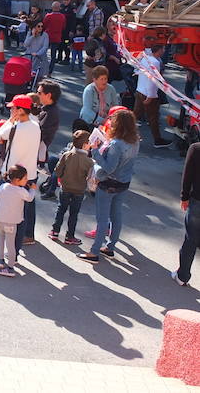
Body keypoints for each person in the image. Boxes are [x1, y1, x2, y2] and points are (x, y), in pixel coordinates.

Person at [0, 94, 41, 262]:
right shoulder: (36, 126)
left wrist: (11, 120)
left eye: (14, 108)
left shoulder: (15, 128)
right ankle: (14, 252)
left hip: (12, 177)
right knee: (20, 217)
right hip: (30, 177)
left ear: (20, 110)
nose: (11, 110)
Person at [79, 109, 140, 264]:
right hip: (123, 183)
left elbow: (108, 167)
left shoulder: (116, 144)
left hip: (108, 183)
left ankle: (94, 252)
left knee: (102, 218)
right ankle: (110, 247)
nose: (110, 121)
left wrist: (95, 151)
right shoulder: (135, 140)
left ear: (117, 124)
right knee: (116, 215)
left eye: (113, 119)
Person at [0, 165, 36, 278]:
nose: (26, 181)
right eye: (25, 178)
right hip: (11, 222)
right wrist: (33, 189)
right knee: (10, 245)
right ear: (17, 179)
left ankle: (0, 262)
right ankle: (10, 266)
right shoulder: (20, 191)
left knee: (0, 241)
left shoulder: (3, 187)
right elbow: (30, 198)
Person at [48, 130, 92, 245]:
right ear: (84, 145)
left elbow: (57, 171)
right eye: (89, 142)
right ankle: (70, 236)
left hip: (65, 187)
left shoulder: (66, 155)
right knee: (74, 213)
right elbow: (90, 177)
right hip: (79, 190)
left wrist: (60, 179)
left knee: (61, 209)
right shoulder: (89, 161)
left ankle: (55, 231)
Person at [134, 43, 172, 148]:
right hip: (148, 94)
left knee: (135, 116)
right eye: (163, 48)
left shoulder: (145, 58)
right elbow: (153, 80)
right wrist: (151, 96)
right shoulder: (155, 62)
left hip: (140, 91)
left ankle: (120, 132)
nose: (164, 50)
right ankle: (157, 140)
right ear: (159, 50)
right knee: (153, 118)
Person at [173, 142, 200, 286]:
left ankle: (182, 276)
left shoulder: (196, 148)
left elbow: (187, 174)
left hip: (197, 200)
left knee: (191, 239)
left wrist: (184, 197)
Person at [42, 2, 66, 75]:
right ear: (59, 8)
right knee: (53, 55)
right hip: (57, 37)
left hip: (47, 36)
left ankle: (42, 69)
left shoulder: (48, 16)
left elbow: (44, 25)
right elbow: (63, 27)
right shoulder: (62, 16)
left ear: (52, 7)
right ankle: (50, 72)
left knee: (43, 53)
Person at [60, 0, 78, 64]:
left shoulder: (72, 8)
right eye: (64, 0)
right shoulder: (61, 7)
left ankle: (67, 58)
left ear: (69, 1)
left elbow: (74, 21)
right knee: (60, 44)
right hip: (61, 30)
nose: (65, 2)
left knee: (66, 44)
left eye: (67, 0)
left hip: (68, 31)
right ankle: (59, 57)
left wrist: (72, 30)